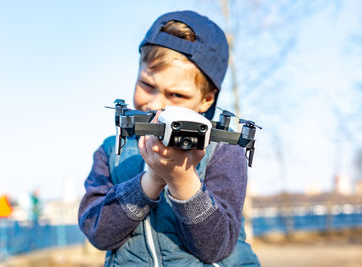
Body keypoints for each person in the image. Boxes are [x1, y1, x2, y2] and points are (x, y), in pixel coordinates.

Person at [79, 10, 260, 266]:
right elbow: (98, 233)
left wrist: (182, 180)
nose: (157, 105)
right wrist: (150, 181)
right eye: (147, 85)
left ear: (207, 99)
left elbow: (216, 248)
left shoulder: (224, 150)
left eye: (176, 95)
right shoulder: (110, 153)